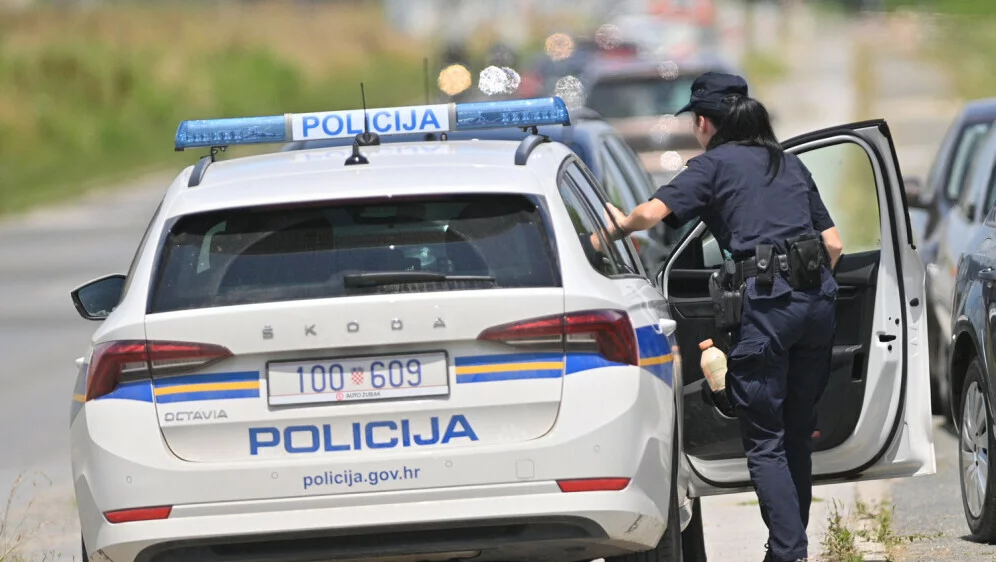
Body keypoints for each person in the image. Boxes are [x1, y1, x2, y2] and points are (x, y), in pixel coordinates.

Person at [595, 72, 843, 562]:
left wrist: (615, 226)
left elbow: (651, 214)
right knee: (796, 435)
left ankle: (788, 553)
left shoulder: (711, 167)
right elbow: (833, 245)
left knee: (766, 441)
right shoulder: (788, 162)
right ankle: (788, 547)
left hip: (768, 309)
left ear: (704, 122)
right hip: (817, 304)